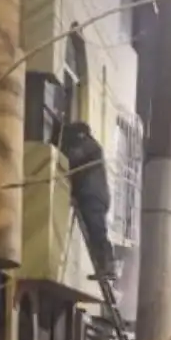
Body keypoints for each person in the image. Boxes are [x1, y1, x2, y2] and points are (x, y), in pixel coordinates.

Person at [58, 120, 118, 281]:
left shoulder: (90, 147)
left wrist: (59, 152)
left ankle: (108, 266)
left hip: (92, 196)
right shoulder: (91, 148)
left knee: (97, 232)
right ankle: (103, 266)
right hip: (92, 196)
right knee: (94, 233)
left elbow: (75, 160)